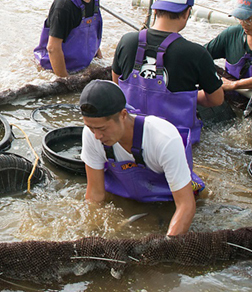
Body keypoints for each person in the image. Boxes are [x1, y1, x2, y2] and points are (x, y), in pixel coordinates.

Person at [79, 79, 202, 236]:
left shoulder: (164, 139)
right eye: (91, 128)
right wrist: (90, 232)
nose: (96, 136)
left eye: (102, 128)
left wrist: (167, 244)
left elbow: (185, 205)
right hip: (126, 198)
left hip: (167, 202)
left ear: (123, 115)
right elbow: (95, 194)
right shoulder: (92, 135)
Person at [111, 0, 224, 146]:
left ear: (155, 10)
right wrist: (190, 97)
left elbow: (116, 85)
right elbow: (216, 99)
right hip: (174, 143)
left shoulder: (127, 41)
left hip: (129, 137)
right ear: (187, 12)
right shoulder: (196, 53)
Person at [33, 0, 125, 77]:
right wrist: (65, 82)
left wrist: (100, 60)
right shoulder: (65, 5)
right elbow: (53, 48)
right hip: (57, 69)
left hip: (82, 65)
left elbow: (92, 35)